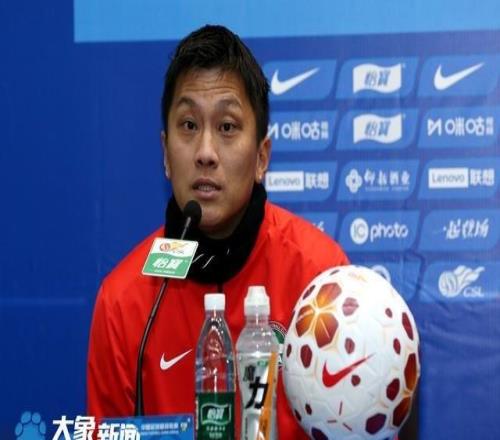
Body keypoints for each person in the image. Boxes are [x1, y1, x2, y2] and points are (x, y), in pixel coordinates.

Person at [87, 24, 349, 439]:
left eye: (227, 127)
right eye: (189, 125)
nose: (206, 152)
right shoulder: (125, 302)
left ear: (262, 157)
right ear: (165, 153)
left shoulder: (320, 281)